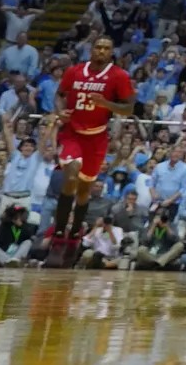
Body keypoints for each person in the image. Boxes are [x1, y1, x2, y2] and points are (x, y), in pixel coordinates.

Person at [50, 36, 137, 242]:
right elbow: (59, 94)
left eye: (106, 48)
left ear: (111, 52)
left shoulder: (118, 76)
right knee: (70, 176)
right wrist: (60, 111)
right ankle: (60, 229)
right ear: (91, 50)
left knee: (83, 191)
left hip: (97, 138)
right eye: (98, 47)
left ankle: (76, 229)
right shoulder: (75, 71)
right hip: (72, 133)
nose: (101, 51)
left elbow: (129, 108)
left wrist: (106, 104)